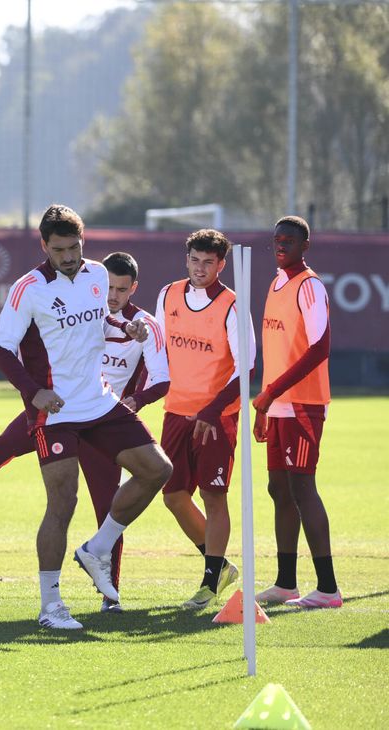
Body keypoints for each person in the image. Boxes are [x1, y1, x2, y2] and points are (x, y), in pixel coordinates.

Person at [0, 251, 170, 614]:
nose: (112, 295)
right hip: (58, 407)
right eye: (109, 287)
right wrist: (35, 392)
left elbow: (162, 379)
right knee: (1, 453)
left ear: (134, 289)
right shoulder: (63, 290)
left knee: (108, 501)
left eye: (121, 290)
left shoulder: (144, 323)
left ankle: (111, 596)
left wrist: (135, 401)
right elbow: (12, 346)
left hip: (101, 409)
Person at [0, 204, 172, 629]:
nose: (69, 256)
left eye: (75, 247)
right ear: (44, 246)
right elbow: (1, 348)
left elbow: (94, 318)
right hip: (56, 410)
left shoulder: (98, 274)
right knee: (63, 502)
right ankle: (51, 607)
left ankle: (97, 548)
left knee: (157, 470)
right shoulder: (27, 288)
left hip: (99, 400)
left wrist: (129, 329)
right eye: (59, 249)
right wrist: (34, 393)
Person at [155, 228, 255, 610]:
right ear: (186, 260)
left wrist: (213, 410)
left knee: (214, 496)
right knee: (173, 496)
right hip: (176, 411)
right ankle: (221, 565)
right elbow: (158, 352)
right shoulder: (168, 294)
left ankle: (210, 583)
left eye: (208, 262)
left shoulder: (232, 305)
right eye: (195, 260)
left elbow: (246, 368)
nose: (200, 268)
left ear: (221, 265)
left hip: (216, 418)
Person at [252, 216, 341, 608]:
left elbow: (319, 348)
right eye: (277, 240)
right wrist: (265, 406)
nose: (281, 245)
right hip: (277, 406)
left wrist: (271, 393)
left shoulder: (310, 287)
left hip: (302, 403)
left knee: (303, 487)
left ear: (306, 245)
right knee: (279, 489)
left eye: (289, 240)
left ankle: (328, 588)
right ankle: (286, 582)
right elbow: (275, 351)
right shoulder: (275, 283)